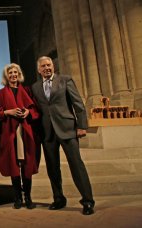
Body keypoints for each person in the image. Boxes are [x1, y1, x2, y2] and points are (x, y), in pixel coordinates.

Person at [31, 56, 95, 215]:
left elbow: (77, 103)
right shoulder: (35, 87)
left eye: (49, 65)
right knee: (53, 168)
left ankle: (87, 201)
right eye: (43, 66)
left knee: (77, 165)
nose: (47, 68)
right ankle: (58, 198)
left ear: (53, 66)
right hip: (47, 133)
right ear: (39, 70)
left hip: (67, 129)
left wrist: (81, 126)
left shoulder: (65, 80)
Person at [0, 63, 40, 209]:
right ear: (6, 76)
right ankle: (17, 197)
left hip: (25, 131)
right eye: (10, 73)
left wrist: (28, 112)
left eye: (15, 72)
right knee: (13, 164)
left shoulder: (26, 90)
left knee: (26, 164)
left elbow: (35, 109)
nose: (13, 75)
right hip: (9, 132)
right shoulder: (1, 93)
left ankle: (28, 196)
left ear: (19, 74)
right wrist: (9, 112)